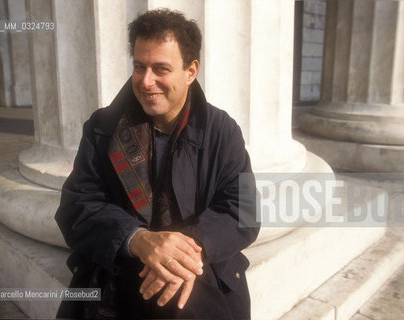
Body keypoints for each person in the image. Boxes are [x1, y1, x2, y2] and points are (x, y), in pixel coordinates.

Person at [55, 8, 259, 319]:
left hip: (200, 272)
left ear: (190, 71)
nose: (146, 81)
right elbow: (76, 206)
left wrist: (184, 254)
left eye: (161, 69)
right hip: (119, 271)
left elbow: (243, 210)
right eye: (139, 66)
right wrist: (137, 239)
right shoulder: (102, 127)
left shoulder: (223, 131)